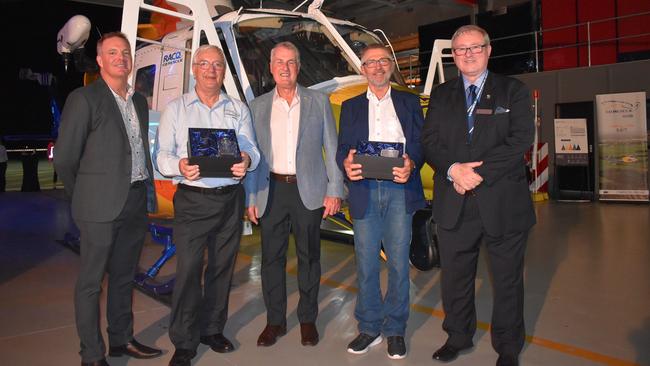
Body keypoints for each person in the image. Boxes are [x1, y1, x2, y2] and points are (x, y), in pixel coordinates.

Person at [422, 25, 536, 366]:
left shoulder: (512, 91)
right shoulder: (442, 96)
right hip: (454, 200)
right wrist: (454, 170)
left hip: (503, 202)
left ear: (488, 50)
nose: (468, 54)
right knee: (455, 278)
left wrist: (475, 175)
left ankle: (508, 346)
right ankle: (457, 336)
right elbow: (429, 142)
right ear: (453, 56)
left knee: (507, 280)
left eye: (474, 47)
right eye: (460, 49)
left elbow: (520, 141)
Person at [54, 32, 162, 366]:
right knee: (90, 283)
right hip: (97, 207)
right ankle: (91, 354)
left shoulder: (139, 102)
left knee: (124, 277)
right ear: (100, 60)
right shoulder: (84, 99)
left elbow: (139, 150)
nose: (121, 57)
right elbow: (65, 159)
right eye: (112, 52)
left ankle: (121, 340)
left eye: (126, 52)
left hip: (133, 202)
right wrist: (83, 197)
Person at [154, 44, 260, 366]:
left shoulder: (238, 109)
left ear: (223, 71)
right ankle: (184, 342)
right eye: (204, 64)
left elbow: (251, 149)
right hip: (193, 199)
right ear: (193, 69)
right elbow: (161, 156)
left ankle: (212, 329)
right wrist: (180, 166)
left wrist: (246, 160)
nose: (211, 70)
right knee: (188, 271)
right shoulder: (177, 109)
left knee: (221, 269)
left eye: (217, 65)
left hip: (230, 199)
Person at [244, 41, 344, 348]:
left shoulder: (318, 101)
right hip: (271, 190)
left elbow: (332, 148)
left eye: (291, 62)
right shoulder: (258, 106)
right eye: (279, 62)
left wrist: (335, 189)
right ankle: (275, 321)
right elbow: (253, 154)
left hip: (309, 190)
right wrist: (250, 198)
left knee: (309, 258)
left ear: (298, 67)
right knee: (271, 260)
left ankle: (308, 319)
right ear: (272, 67)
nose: (285, 68)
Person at [336, 44, 426, 359]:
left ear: (391, 66)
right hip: (365, 191)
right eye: (370, 62)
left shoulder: (409, 101)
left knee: (399, 263)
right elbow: (343, 148)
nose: (377, 67)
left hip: (400, 190)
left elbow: (419, 143)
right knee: (366, 263)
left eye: (382, 61)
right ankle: (370, 327)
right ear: (362, 69)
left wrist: (412, 163)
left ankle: (396, 329)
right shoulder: (350, 107)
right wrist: (345, 165)